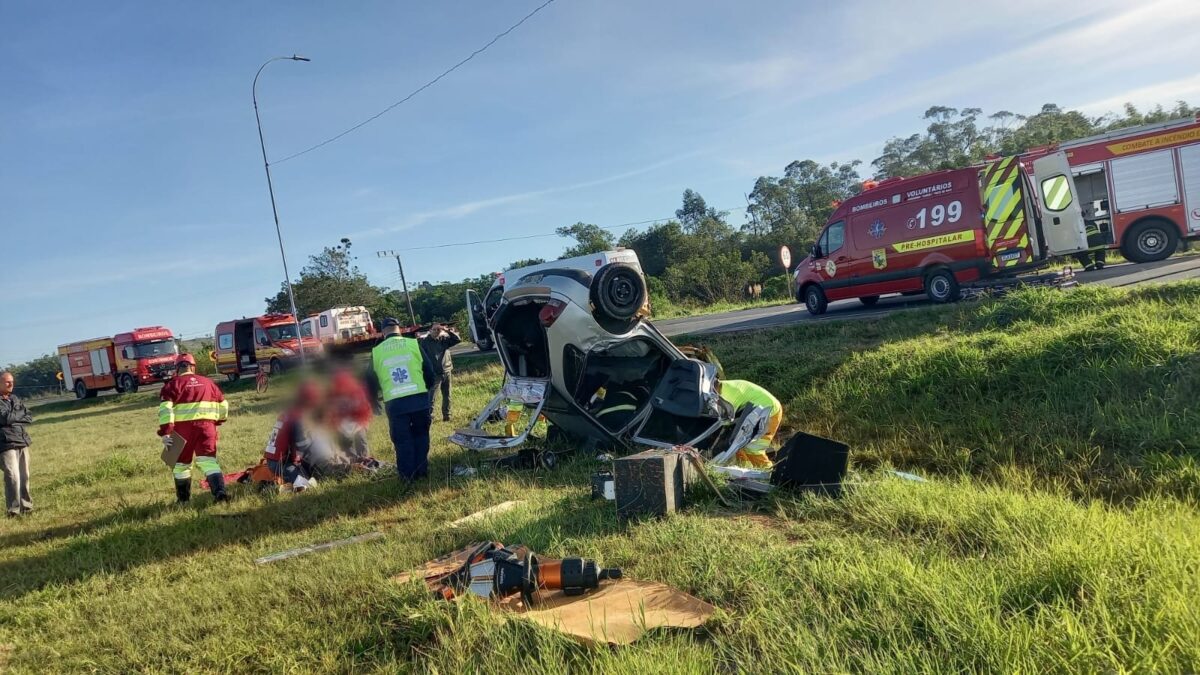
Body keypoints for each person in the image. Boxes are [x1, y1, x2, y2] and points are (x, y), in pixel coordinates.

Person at [367, 317, 436, 481]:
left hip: (395, 403)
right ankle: (422, 472)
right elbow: (429, 371)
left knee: (402, 440)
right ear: (399, 329)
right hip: (419, 399)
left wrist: (373, 399)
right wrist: (426, 388)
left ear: (383, 332)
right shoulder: (414, 344)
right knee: (421, 435)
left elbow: (369, 380)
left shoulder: (376, 352)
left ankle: (407, 476)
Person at [158, 353, 230, 503]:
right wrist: (217, 421)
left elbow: (166, 410)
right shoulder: (208, 382)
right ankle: (220, 493)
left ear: (177, 368)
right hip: (206, 428)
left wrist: (166, 432)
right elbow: (224, 406)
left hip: (181, 431)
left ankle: (183, 501)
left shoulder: (172, 384)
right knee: (208, 462)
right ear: (193, 367)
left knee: (181, 465)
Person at [715, 379, 783, 469]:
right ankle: (746, 470)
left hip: (769, 410)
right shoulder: (723, 388)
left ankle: (769, 473)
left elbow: (726, 422)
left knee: (753, 448)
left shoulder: (726, 397)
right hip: (759, 408)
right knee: (738, 442)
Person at [0, 371, 34, 517]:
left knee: (24, 475)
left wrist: (15, 417)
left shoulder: (14, 398)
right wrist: (19, 415)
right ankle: (13, 510)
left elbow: (29, 416)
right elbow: (5, 418)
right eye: (7, 382)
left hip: (22, 440)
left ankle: (26, 506)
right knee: (13, 476)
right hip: (6, 443)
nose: (11, 384)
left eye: (12, 381)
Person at [328, 368, 373, 463]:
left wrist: (363, 423)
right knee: (345, 441)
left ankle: (364, 458)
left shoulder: (357, 391)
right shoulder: (332, 394)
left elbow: (365, 410)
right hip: (342, 423)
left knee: (360, 437)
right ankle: (352, 460)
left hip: (357, 421)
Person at [420, 323, 461, 422]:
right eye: (434, 329)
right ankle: (429, 416)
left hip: (447, 370)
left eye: (438, 330)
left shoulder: (444, 340)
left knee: (447, 395)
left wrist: (447, 330)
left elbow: (457, 339)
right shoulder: (425, 342)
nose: (436, 331)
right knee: (432, 397)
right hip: (435, 373)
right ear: (430, 330)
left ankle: (447, 416)